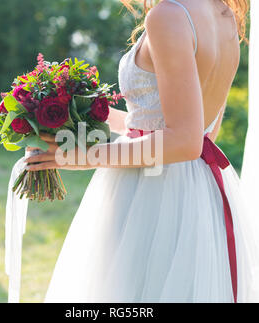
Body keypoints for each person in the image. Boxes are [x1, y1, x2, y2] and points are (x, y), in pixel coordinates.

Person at [26, 0, 259, 303]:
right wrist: (83, 115)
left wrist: (84, 158)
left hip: (152, 192)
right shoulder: (224, 15)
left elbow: (185, 141)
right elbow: (201, 132)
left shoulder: (169, 14)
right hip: (200, 192)